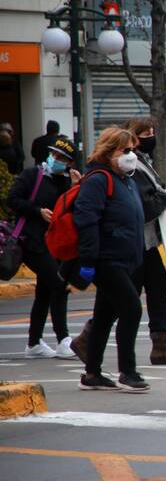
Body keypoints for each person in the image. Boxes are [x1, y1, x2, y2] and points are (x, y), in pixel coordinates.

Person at [73, 127, 148, 392]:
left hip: (125, 259)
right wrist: (88, 260)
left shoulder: (125, 179)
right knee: (131, 309)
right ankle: (127, 372)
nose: (131, 155)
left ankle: (92, 373)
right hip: (107, 259)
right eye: (125, 150)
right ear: (109, 152)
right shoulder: (98, 180)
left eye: (133, 150)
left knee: (104, 316)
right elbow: (86, 220)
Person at [7, 135, 80, 359]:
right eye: (54, 154)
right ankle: (63, 339)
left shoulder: (66, 182)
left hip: (54, 244)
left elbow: (74, 210)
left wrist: (77, 186)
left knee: (45, 291)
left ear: (70, 163)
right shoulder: (32, 175)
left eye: (62, 157)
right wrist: (37, 211)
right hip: (31, 242)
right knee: (59, 285)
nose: (55, 159)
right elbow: (12, 200)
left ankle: (34, 343)